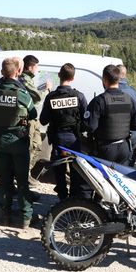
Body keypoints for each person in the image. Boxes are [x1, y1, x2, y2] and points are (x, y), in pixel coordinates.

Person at [0, 57, 37, 229]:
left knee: (5, 179)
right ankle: (25, 217)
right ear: (18, 72)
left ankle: (5, 215)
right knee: (22, 181)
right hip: (18, 140)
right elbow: (33, 113)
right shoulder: (21, 94)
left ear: (2, 72)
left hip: (1, 140)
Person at [40, 63, 89, 200]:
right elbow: (86, 121)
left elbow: (43, 120)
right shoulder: (79, 96)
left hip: (58, 139)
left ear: (59, 76)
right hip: (74, 140)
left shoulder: (51, 97)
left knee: (59, 170)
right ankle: (73, 198)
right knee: (76, 170)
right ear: (73, 78)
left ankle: (62, 196)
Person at [84, 64, 136, 165]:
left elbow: (90, 127)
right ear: (118, 79)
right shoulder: (129, 99)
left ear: (104, 79)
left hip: (105, 150)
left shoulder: (99, 101)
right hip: (124, 148)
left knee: (102, 179)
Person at [19, 55, 52, 190]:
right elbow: (37, 98)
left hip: (34, 119)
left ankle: (26, 175)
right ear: (30, 67)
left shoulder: (28, 80)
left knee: (36, 146)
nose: (37, 70)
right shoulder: (24, 79)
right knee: (31, 147)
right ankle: (24, 177)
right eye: (36, 67)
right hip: (28, 119)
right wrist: (46, 89)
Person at [117, 64, 136, 167]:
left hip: (117, 137)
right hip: (133, 135)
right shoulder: (134, 92)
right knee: (129, 168)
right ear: (125, 75)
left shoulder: (112, 92)